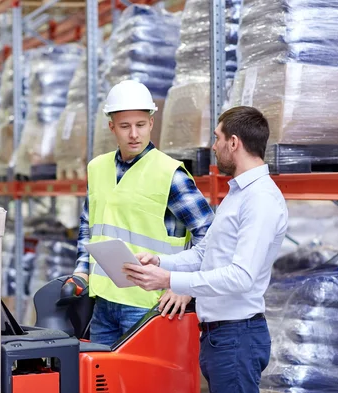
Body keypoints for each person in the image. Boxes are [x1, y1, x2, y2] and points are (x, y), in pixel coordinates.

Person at [122, 106, 288, 392]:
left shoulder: (260, 200)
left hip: (237, 336)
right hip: (220, 336)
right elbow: (204, 254)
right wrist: (160, 262)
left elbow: (241, 276)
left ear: (233, 143)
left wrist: (169, 281)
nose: (213, 146)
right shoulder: (238, 195)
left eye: (217, 138)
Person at [64, 80, 215, 347]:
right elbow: (88, 225)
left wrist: (184, 286)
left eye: (141, 125)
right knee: (103, 386)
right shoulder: (97, 168)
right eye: (125, 126)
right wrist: (82, 271)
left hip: (150, 307)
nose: (134, 134)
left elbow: (211, 237)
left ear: (151, 123)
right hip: (103, 302)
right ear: (112, 127)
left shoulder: (170, 174)